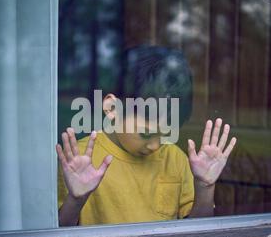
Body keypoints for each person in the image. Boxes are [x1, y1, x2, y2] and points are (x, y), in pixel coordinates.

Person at [57, 45, 237, 226]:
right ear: (113, 109)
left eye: (166, 134)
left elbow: (199, 230)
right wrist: (75, 199)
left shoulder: (175, 159)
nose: (155, 145)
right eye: (146, 133)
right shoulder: (77, 160)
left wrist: (205, 186)